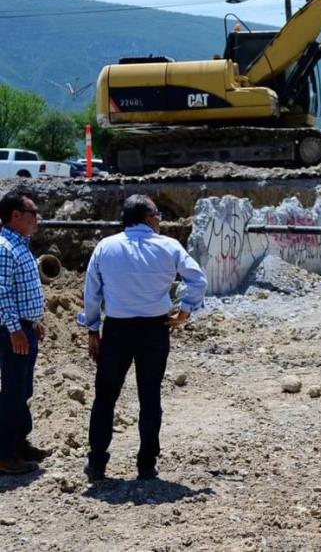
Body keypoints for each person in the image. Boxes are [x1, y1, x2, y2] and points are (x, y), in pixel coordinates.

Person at [81, 194, 207, 482]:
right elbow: (198, 279)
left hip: (116, 330)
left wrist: (92, 329)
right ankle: (147, 464)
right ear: (148, 218)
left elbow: (92, 293)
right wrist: (185, 312)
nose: (160, 221)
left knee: (105, 397)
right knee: (149, 397)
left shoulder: (105, 247)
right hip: (155, 330)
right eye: (158, 216)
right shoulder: (169, 247)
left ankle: (97, 463)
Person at [0, 189, 49, 475]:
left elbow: (20, 291)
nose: (37, 219)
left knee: (23, 390)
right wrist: (15, 329)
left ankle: (18, 443)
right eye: (33, 214)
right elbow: (2, 292)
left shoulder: (20, 244)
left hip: (23, 327)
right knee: (13, 392)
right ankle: (5, 454)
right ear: (16, 216)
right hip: (11, 332)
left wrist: (33, 321)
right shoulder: (5, 247)